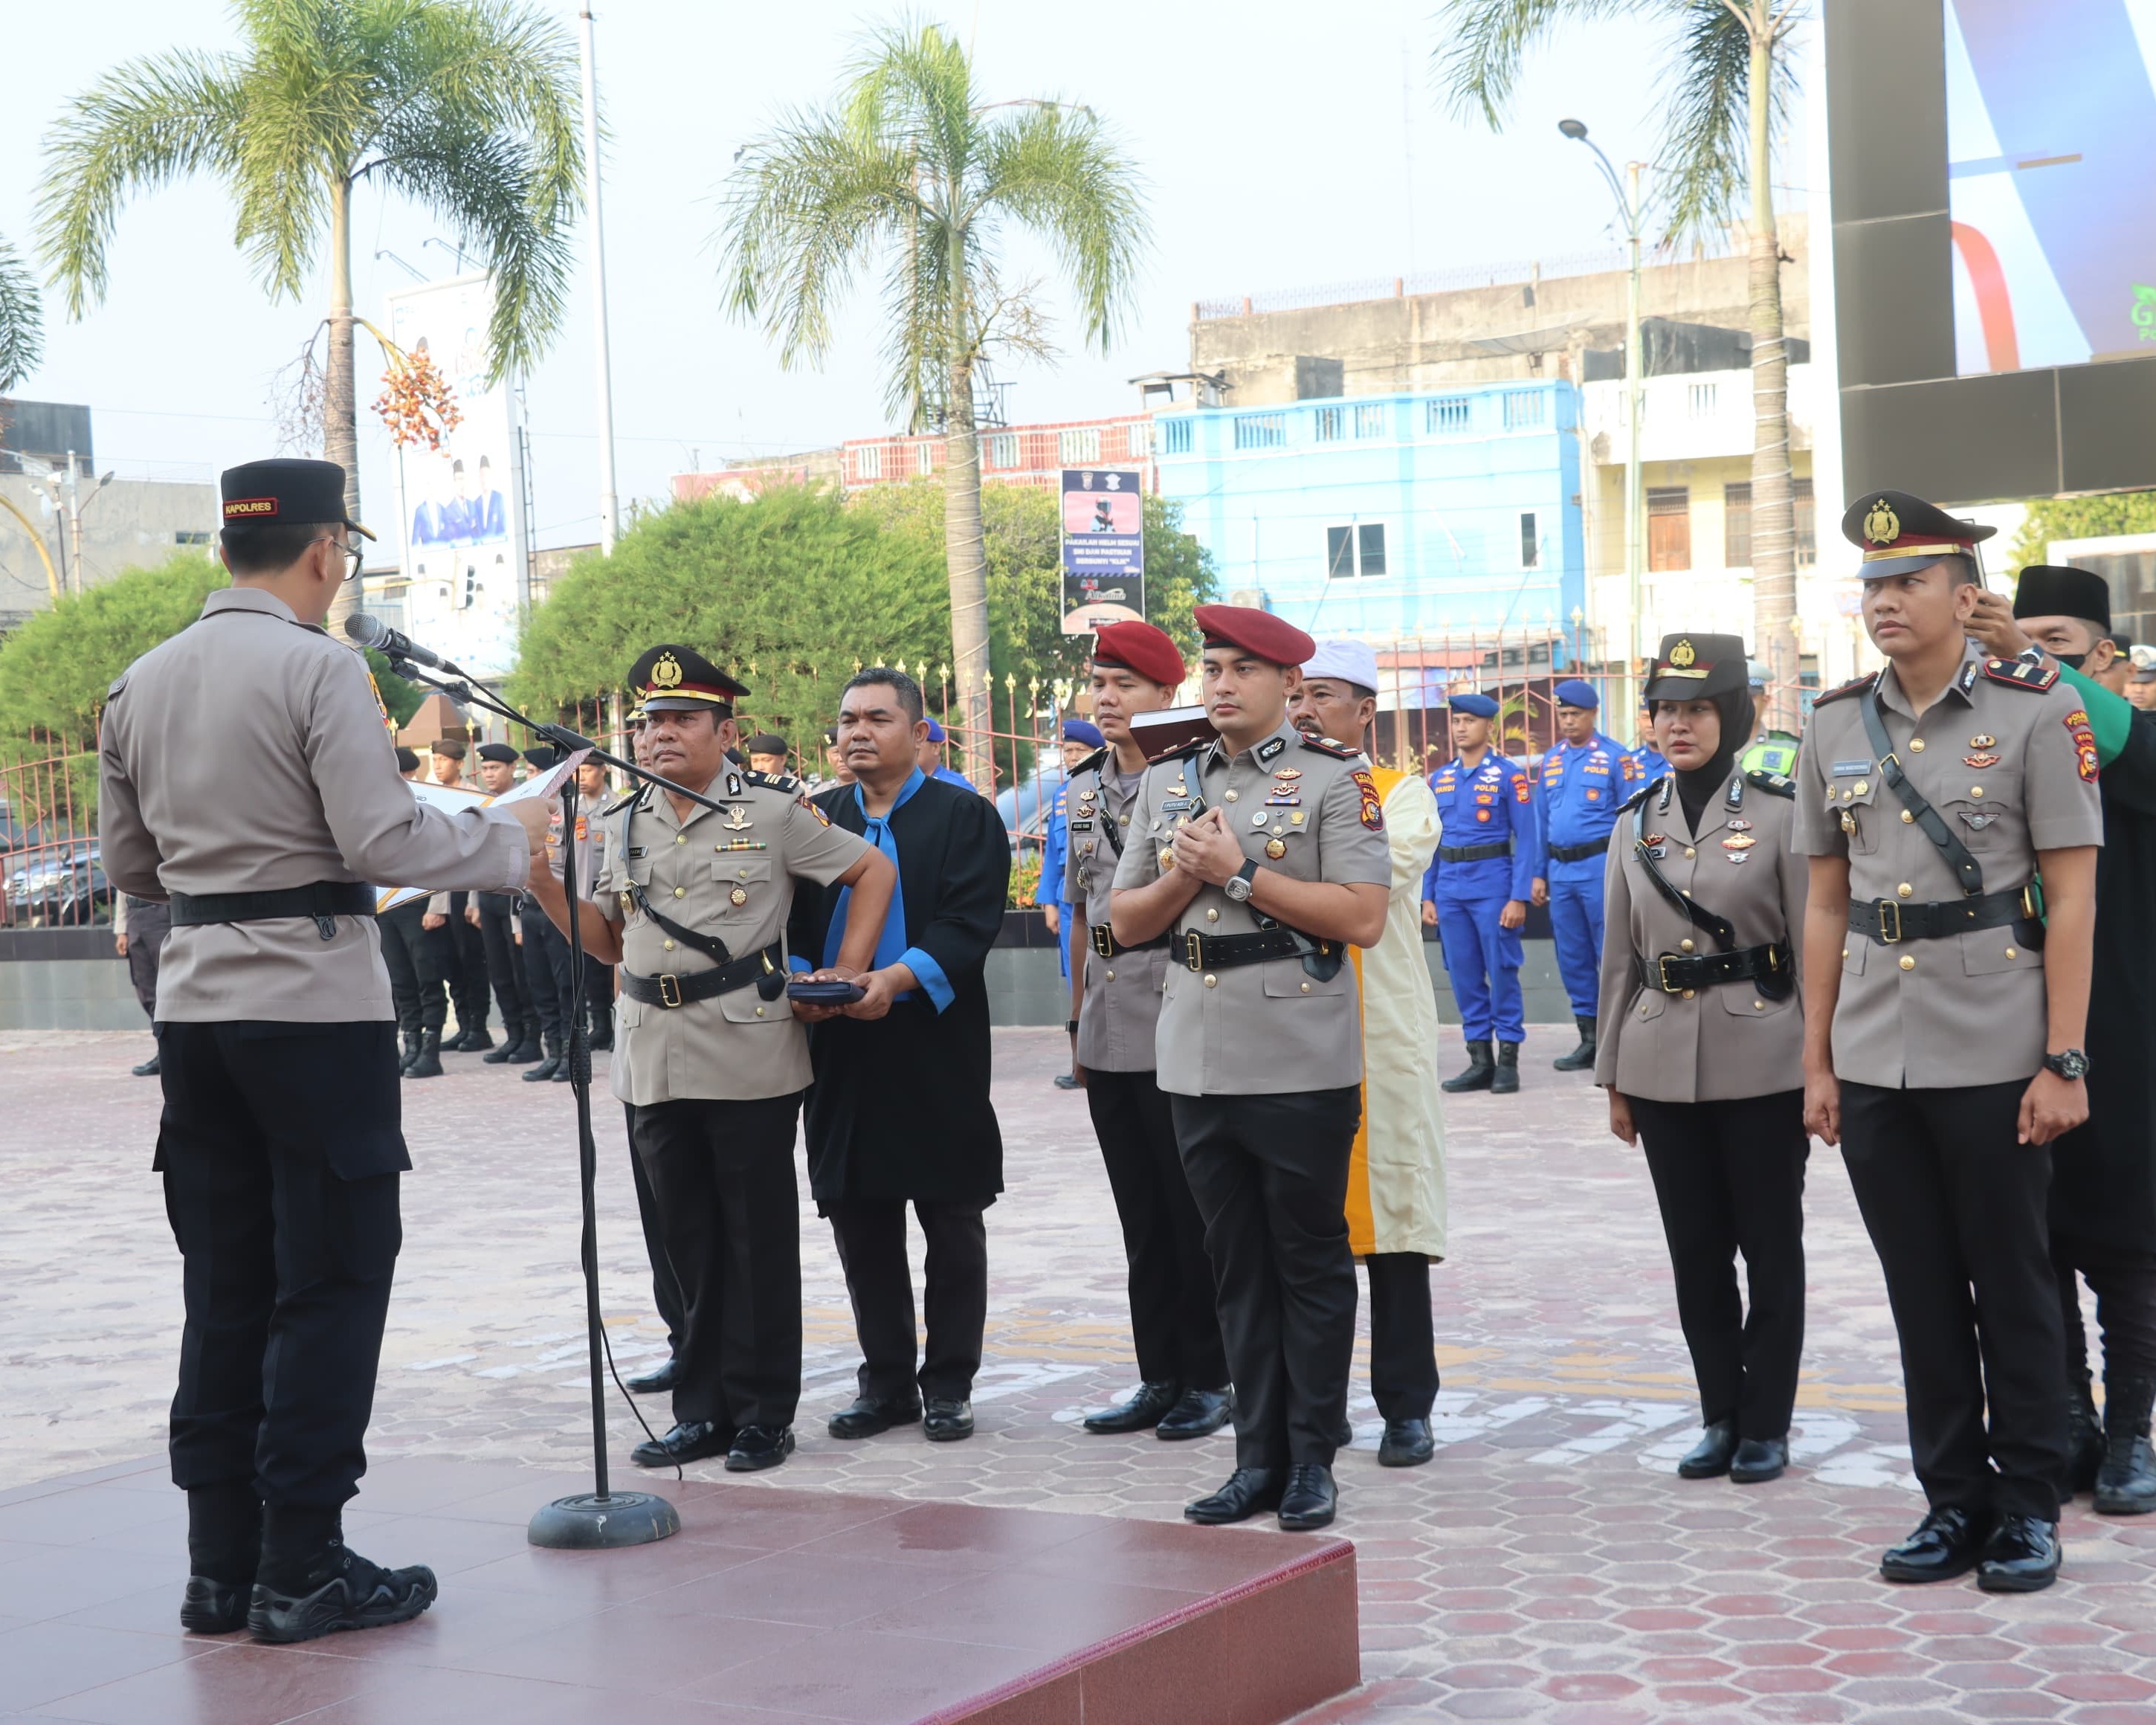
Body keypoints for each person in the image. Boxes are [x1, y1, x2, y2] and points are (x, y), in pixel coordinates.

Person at [97, 457, 549, 1642]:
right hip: (311, 1007)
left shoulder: (138, 682)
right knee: (333, 1279)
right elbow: (380, 839)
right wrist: (508, 837)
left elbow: (133, 868)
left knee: (225, 1286)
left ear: (227, 548)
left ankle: (220, 1567)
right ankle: (301, 1564)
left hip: (195, 1009)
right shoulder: (320, 667)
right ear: (326, 551)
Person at [1797, 490, 2101, 1593]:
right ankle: (1952, 1501)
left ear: (1964, 595)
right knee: (1918, 1290)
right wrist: (1816, 1060)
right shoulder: (1833, 724)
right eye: (1872, 585)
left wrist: (2063, 1057)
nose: (1884, 600)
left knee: (2011, 1284)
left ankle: (2027, 1507)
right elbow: (1823, 904)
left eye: (1908, 581)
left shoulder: (2033, 712)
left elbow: (2073, 897)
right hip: (1875, 1049)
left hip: (1995, 1046)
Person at [526, 645, 895, 1470]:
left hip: (746, 1046)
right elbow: (607, 941)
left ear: (725, 732)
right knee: (683, 1239)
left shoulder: (771, 811)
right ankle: (701, 1410)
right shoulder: (620, 819)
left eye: (681, 719)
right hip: (650, 1049)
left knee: (755, 1238)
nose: (659, 735)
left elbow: (873, 870)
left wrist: (845, 969)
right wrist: (545, 883)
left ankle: (762, 1412)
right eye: (649, 722)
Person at [1110, 604, 1390, 1532]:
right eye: (1212, 667)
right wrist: (1186, 874)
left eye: (1242, 669)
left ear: (1286, 684)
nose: (1221, 684)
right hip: (1194, 1053)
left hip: (1298, 1053)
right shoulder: (1170, 779)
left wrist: (1237, 873)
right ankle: (1253, 1459)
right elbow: (1125, 920)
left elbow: (1361, 916)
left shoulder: (1334, 779)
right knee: (1233, 1267)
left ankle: (1310, 1459)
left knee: (1306, 1263)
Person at [1598, 633, 1809, 1488]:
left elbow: (1812, 947)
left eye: (1695, 709)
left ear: (1731, 714)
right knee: (1694, 1251)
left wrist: (1821, 1065)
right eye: (1664, 710)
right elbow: (1618, 957)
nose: (1676, 725)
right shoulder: (1632, 822)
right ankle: (1719, 1412)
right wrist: (1612, 1076)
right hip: (1657, 1062)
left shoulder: (1780, 813)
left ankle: (1767, 1421)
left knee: (1769, 1245)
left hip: (1764, 1057)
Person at [791, 668, 1011, 1445]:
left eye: (877, 718)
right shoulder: (815, 817)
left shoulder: (963, 815)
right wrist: (804, 982)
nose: (857, 731)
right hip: (838, 1044)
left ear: (918, 733)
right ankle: (884, 1383)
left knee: (951, 1215)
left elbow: (968, 921)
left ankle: (948, 1383)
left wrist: (893, 978)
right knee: (858, 1213)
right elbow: (788, 918)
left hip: (933, 1039)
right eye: (848, 718)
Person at [1981, 566, 2156, 1514]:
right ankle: (2071, 1422)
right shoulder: (2002, 742)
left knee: (2128, 1244)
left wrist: (2022, 656)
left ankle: (2131, 1433)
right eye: (2019, 637)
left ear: (2106, 657)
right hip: (2017, 1027)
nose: (2028, 656)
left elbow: (2122, 747)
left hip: (2124, 1032)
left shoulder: (2135, 741)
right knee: (2033, 1236)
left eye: (2053, 643)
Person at [1065, 622, 1230, 1442]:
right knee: (1139, 1212)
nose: (1106, 699)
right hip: (1108, 1020)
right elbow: (1078, 909)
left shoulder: (1199, 778)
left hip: (1179, 1009)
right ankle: (1158, 1373)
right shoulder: (1082, 787)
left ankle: (1211, 1375)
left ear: (1167, 695)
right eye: (1099, 683)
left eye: (1125, 684)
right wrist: (1074, 1019)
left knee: (1192, 1209)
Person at [1292, 639, 1449, 1468]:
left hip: (1376, 1034)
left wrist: (1265, 865)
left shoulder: (1401, 793)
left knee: (1392, 1224)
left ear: (1364, 711)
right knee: (1299, 1235)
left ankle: (1406, 1406)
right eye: (1295, 694)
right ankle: (1314, 1409)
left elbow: (1371, 874)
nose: (1304, 709)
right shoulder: (1269, 790)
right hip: (1287, 1035)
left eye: (1322, 695)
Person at [1421, 693, 1541, 1095]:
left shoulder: (1509, 776)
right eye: (1457, 721)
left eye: (1469, 721)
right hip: (1450, 890)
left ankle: (1508, 1060)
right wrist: (1428, 896)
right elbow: (1432, 843)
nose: (1461, 727)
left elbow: (1527, 838)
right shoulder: (1440, 779)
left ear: (1489, 727)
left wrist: (1518, 897)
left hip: (1494, 887)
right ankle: (1479, 1061)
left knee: (1502, 971)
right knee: (1463, 975)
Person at [1532, 680, 1641, 1074]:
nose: (1568, 721)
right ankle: (1589, 1039)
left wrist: (1630, 871)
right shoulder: (1552, 759)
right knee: (1572, 957)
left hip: (1600, 868)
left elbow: (1633, 819)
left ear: (1594, 713)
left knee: (1610, 953)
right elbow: (1540, 821)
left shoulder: (1615, 758)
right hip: (1561, 873)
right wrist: (1538, 874)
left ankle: (1620, 1037)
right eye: (1562, 714)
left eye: (1575, 714)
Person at [466, 743, 538, 1065]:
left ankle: (532, 1037)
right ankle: (513, 1034)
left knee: (521, 970)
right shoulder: (483, 803)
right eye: (485, 769)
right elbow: (476, 855)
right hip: (488, 895)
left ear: (512, 768)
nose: (489, 774)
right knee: (499, 971)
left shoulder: (524, 802)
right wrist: (473, 900)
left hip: (515, 897)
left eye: (495, 768)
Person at [1042, 718, 1103, 1089]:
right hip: (1069, 899)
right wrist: (1048, 901)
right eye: (1067, 751)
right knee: (1075, 979)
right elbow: (1052, 852)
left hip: (1101, 891)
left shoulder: (1103, 786)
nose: (1071, 756)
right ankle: (1079, 1060)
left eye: (1079, 750)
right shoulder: (1063, 794)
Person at [517, 746, 575, 1082]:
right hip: (529, 908)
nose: (529, 778)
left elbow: (580, 868)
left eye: (533, 772)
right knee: (540, 983)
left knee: (566, 984)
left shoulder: (569, 813)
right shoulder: (522, 816)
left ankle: (570, 1053)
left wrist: (574, 920)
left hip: (559, 908)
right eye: (526, 772)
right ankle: (552, 1051)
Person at [572, 758, 616, 1055]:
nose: (583, 777)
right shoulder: (571, 806)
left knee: (611, 963)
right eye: (578, 772)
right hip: (581, 892)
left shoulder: (617, 804)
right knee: (588, 965)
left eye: (588, 770)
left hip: (607, 891)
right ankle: (600, 1026)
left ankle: (615, 1025)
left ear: (603, 770)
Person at [114, 891, 171, 1076]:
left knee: (169, 987)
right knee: (146, 988)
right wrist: (122, 929)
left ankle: (174, 1052)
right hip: (134, 915)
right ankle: (164, 1052)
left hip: (163, 913)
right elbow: (122, 886)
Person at [1738, 660, 1801, 778]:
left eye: (1751, 697)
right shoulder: (1709, 746)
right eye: (1736, 698)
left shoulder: (1790, 747)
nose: (1743, 704)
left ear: (1765, 701)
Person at [1627, 700, 1670, 780]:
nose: (1650, 725)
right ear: (1638, 721)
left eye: (1654, 717)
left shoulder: (1681, 761)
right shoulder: (1629, 762)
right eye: (1645, 718)